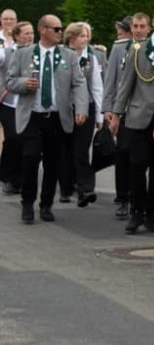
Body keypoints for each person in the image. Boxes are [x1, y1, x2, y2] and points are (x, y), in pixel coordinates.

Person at [4, 15, 88, 224]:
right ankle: (27, 202)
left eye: (61, 29)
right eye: (57, 29)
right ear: (43, 30)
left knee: (53, 162)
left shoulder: (68, 56)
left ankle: (46, 204)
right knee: (31, 158)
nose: (61, 33)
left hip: (57, 117)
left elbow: (79, 83)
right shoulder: (24, 54)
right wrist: (25, 83)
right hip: (32, 115)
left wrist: (81, 108)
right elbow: (10, 81)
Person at [111, 6, 154, 234]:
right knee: (137, 166)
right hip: (139, 117)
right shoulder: (138, 49)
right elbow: (126, 84)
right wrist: (117, 114)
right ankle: (136, 211)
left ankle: (152, 214)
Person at [58, 22, 105, 207]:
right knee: (65, 150)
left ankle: (85, 189)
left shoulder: (91, 58)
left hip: (87, 108)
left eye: (87, 36)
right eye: (81, 36)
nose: (85, 39)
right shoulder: (60, 55)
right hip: (65, 108)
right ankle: (65, 188)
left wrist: (100, 116)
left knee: (82, 150)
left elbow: (97, 87)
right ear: (71, 38)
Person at [102, 16, 136, 217]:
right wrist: (108, 108)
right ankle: (123, 197)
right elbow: (111, 79)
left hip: (142, 111)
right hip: (121, 110)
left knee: (138, 157)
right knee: (123, 152)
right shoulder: (119, 48)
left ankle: (137, 196)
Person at [0, 13, 24, 195]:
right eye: (6, 19)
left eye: (12, 19)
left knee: (18, 139)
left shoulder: (32, 51)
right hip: (6, 99)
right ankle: (9, 175)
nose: (9, 22)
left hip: (24, 102)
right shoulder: (5, 47)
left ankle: (14, 176)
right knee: (13, 137)